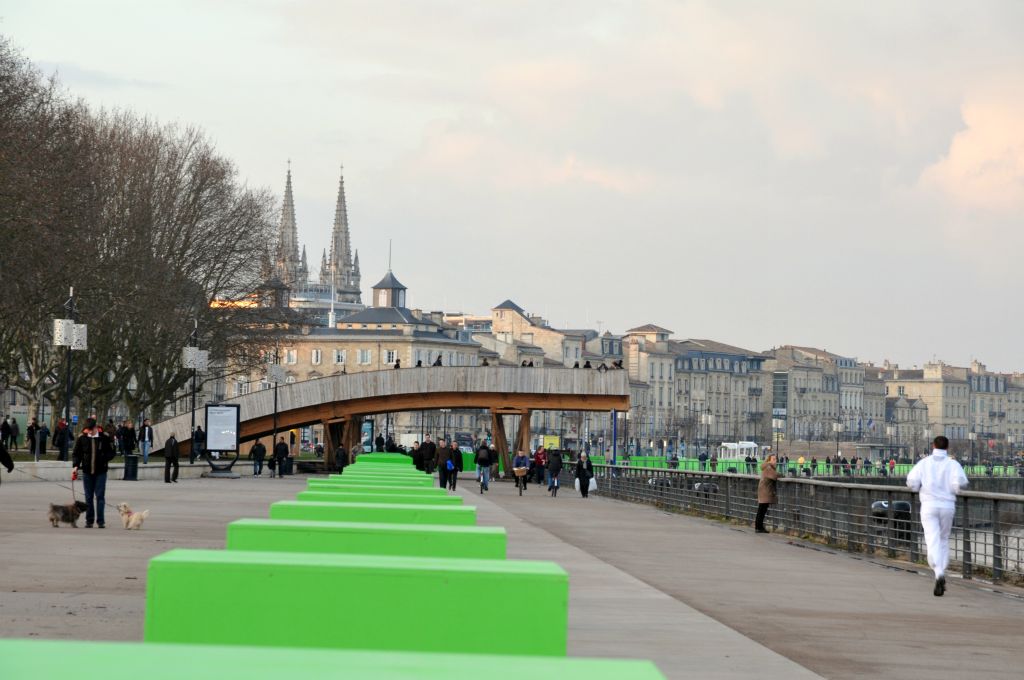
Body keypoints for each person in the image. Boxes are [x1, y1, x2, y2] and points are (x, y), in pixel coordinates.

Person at [907, 435, 968, 596]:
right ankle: (941, 571)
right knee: (943, 539)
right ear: (947, 448)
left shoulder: (924, 463)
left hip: (928, 505)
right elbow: (959, 484)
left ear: (933, 446)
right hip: (947, 505)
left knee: (931, 539)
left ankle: (938, 572)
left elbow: (912, 482)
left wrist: (917, 487)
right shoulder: (953, 464)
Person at [72, 418, 116, 528]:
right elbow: (76, 454)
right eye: (88, 430)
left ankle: (100, 521)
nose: (90, 432)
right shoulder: (82, 438)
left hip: (101, 472)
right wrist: (76, 466)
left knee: (100, 496)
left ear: (96, 427)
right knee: (88, 497)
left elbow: (112, 452)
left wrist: (104, 459)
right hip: (87, 472)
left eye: (91, 430)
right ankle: (89, 520)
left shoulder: (104, 438)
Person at [755, 453, 778, 533]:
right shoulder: (768, 467)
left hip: (764, 490)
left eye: (776, 459)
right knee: (762, 509)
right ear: (769, 460)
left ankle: (758, 527)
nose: (775, 461)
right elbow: (774, 476)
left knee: (761, 509)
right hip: (765, 490)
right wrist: (782, 475)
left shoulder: (767, 467)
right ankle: (759, 527)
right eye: (773, 459)